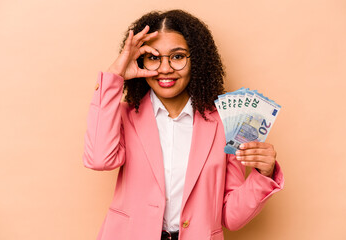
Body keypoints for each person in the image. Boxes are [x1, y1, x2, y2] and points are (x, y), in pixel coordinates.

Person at [83, 9, 284, 240]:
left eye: (177, 56)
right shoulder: (125, 116)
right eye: (154, 57)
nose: (165, 68)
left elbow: (231, 217)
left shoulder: (225, 124)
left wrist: (263, 174)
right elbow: (99, 159)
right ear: (140, 60)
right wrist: (115, 76)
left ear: (196, 60)